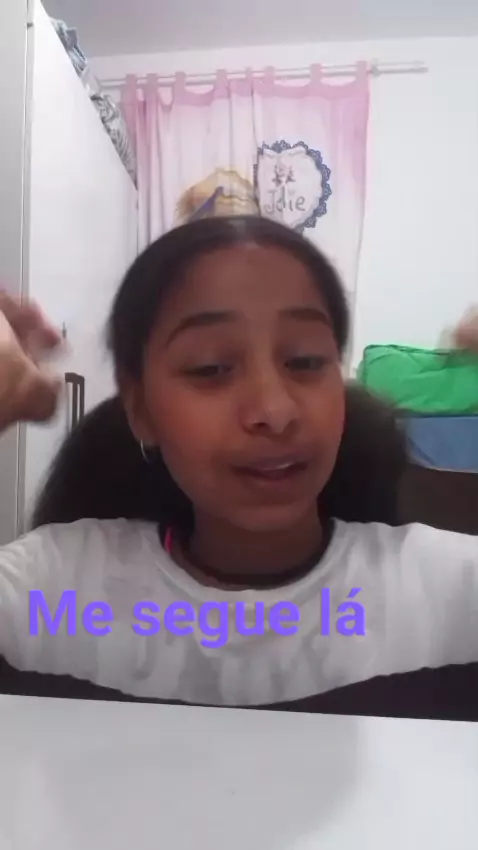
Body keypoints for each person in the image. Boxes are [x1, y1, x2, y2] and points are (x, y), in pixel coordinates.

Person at [0, 215, 477, 719]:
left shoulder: (448, 594)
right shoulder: (50, 589)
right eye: (211, 368)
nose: (275, 410)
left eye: (305, 361)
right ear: (141, 410)